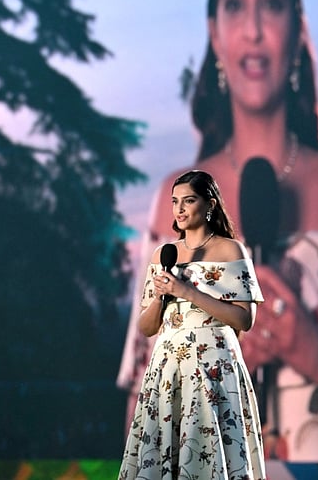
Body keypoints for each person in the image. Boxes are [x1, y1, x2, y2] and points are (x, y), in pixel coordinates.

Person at [118, 0, 318, 467]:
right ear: (215, 33)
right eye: (235, 4)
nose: (255, 29)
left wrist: (313, 350)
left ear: (297, 28)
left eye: (273, 3)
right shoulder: (174, 205)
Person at [118, 170, 266, 479]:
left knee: (211, 455)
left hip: (214, 366)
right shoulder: (163, 254)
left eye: (189, 201)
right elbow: (147, 328)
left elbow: (244, 319)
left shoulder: (230, 250)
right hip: (168, 367)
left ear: (209, 204)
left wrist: (186, 291)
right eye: (175, 202)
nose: (180, 210)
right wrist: (161, 295)